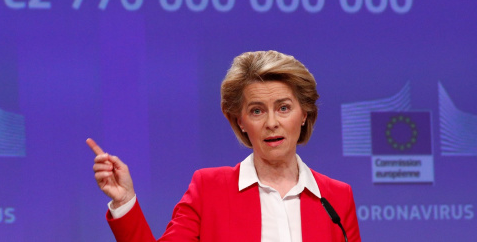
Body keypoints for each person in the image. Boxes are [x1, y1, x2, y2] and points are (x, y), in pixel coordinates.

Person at [88, 50, 361, 242]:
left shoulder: (336, 199)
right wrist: (124, 201)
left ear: (304, 114)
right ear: (239, 121)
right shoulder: (209, 189)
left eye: (284, 108)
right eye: (256, 111)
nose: (271, 122)